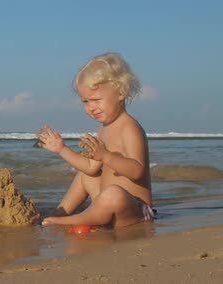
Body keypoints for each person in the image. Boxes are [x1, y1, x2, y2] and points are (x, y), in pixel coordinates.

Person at [37, 52, 154, 228]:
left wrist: (106, 156)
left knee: (113, 194)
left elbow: (137, 170)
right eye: (85, 102)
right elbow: (91, 168)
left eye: (96, 100)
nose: (91, 107)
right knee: (86, 176)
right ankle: (60, 212)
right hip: (109, 205)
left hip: (134, 210)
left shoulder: (129, 128)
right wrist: (62, 149)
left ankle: (71, 220)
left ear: (121, 92)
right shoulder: (103, 130)